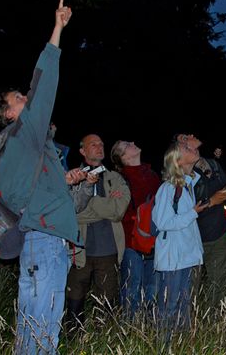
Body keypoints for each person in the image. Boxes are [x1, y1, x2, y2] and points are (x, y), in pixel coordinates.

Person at [0, 0, 80, 354]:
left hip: (38, 241)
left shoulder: (9, 148)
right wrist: (57, 30)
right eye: (19, 99)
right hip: (42, 240)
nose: (27, 99)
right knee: (43, 330)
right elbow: (43, 86)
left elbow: (22, 192)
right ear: (9, 114)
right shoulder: (20, 135)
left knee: (32, 325)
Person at [66, 134, 131, 331]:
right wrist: (104, 206)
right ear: (82, 151)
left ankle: (105, 342)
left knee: (108, 303)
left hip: (108, 249)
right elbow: (72, 212)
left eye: (102, 144)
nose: (99, 147)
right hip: (79, 250)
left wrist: (88, 201)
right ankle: (73, 341)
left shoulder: (115, 178)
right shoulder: (72, 177)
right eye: (93, 144)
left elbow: (118, 211)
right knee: (74, 301)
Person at [153, 141, 209, 341]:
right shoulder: (168, 188)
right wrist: (193, 213)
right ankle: (164, 347)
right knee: (169, 310)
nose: (193, 149)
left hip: (186, 257)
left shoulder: (187, 186)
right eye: (186, 148)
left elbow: (202, 174)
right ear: (177, 160)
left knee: (184, 308)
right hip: (173, 260)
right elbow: (163, 222)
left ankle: (181, 346)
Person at [174, 134, 226, 308]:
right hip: (192, 238)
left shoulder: (212, 164)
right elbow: (179, 211)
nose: (190, 137)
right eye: (184, 139)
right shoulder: (176, 174)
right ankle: (189, 324)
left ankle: (214, 321)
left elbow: (222, 189)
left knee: (218, 284)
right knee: (189, 287)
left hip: (218, 234)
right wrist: (211, 201)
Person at [110, 140, 161, 317]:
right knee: (132, 286)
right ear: (124, 157)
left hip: (153, 239)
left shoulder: (151, 174)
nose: (132, 142)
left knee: (152, 287)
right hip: (132, 242)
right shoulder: (119, 179)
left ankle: (149, 326)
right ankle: (130, 330)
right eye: (127, 144)